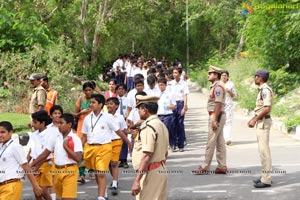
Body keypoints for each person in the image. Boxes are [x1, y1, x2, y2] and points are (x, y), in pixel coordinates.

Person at [81, 94, 132, 200]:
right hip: (90, 148)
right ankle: (104, 193)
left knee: (100, 173)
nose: (91, 104)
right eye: (90, 102)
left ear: (100, 105)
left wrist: (129, 143)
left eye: (94, 102)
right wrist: (79, 148)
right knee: (96, 173)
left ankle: (100, 197)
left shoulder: (107, 117)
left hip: (104, 147)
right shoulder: (87, 118)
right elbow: (84, 136)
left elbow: (119, 132)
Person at [30, 113, 83, 200]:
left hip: (70, 171)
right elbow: (45, 153)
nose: (58, 125)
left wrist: (65, 147)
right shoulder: (55, 137)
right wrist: (32, 164)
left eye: (61, 123)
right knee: (61, 196)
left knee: (67, 198)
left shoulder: (75, 138)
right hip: (57, 171)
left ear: (69, 124)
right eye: (58, 123)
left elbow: (78, 158)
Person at [131, 95, 169, 200]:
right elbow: (165, 153)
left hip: (150, 172)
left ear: (145, 110)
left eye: (139, 109)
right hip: (159, 169)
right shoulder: (161, 124)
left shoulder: (149, 127)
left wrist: (137, 180)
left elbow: (147, 154)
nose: (138, 112)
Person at [192, 66, 227, 175]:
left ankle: (205, 166)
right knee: (219, 142)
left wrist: (214, 119)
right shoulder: (217, 86)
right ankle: (222, 165)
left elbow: (218, 103)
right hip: (218, 115)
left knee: (210, 142)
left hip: (216, 115)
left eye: (210, 73)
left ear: (216, 75)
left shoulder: (218, 87)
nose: (208, 75)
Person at [0, 121, 43, 200]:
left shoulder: (15, 147)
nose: (0, 135)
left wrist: (35, 186)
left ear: (10, 132)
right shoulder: (1, 147)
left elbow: (26, 167)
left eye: (3, 132)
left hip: (11, 186)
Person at [248, 70, 273, 188]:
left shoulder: (265, 90)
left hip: (263, 123)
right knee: (262, 151)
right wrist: (254, 118)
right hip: (261, 121)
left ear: (261, 78)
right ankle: (265, 176)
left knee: (264, 152)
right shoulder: (262, 89)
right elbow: (261, 107)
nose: (254, 78)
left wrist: (254, 119)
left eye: (256, 76)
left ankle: (266, 179)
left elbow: (267, 108)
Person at [27, 110, 53, 200]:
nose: (33, 124)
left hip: (45, 164)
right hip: (34, 164)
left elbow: (44, 155)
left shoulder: (50, 134)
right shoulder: (34, 135)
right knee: (37, 192)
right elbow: (31, 151)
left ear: (42, 123)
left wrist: (32, 165)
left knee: (43, 191)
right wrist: (26, 164)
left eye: (35, 122)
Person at [106, 97, 128, 196]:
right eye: (108, 104)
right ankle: (114, 178)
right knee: (109, 163)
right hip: (105, 142)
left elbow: (124, 130)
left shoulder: (120, 117)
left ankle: (114, 183)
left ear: (116, 106)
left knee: (114, 162)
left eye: (111, 104)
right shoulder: (103, 117)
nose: (109, 105)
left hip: (117, 142)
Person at [74, 81, 94, 183]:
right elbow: (75, 114)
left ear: (93, 90)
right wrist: (81, 112)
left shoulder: (95, 100)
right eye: (86, 90)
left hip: (92, 129)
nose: (88, 92)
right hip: (81, 129)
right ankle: (81, 175)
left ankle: (91, 169)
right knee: (80, 152)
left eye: (90, 90)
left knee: (90, 151)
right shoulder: (80, 99)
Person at [169, 67, 189, 152]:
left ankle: (181, 144)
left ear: (180, 74)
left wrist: (184, 107)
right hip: (172, 104)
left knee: (180, 124)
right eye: (173, 73)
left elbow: (185, 95)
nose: (174, 74)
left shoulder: (183, 84)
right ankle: (173, 143)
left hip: (180, 104)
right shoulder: (170, 83)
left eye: (176, 73)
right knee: (172, 124)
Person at [47, 105, 64, 200]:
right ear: (51, 116)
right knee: (52, 177)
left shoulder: (66, 127)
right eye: (55, 113)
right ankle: (53, 197)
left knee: (62, 177)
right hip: (51, 155)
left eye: (59, 113)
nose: (57, 115)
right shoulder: (47, 128)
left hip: (63, 155)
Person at [157, 77, 177, 151]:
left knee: (168, 129)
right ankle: (162, 146)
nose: (160, 87)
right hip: (159, 115)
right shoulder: (157, 94)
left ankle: (172, 143)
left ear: (165, 85)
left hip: (168, 115)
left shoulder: (170, 94)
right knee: (160, 131)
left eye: (162, 85)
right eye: (159, 85)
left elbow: (174, 105)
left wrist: (170, 107)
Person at [221, 70, 237, 145]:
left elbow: (234, 95)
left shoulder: (231, 84)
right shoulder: (218, 84)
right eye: (222, 75)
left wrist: (229, 91)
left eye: (225, 75)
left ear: (228, 77)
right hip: (220, 106)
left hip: (228, 106)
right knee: (221, 122)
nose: (224, 77)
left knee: (228, 122)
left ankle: (228, 138)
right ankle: (222, 138)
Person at [116, 84, 130, 168]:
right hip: (116, 120)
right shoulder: (114, 100)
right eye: (119, 89)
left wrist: (128, 120)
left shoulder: (128, 100)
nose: (121, 90)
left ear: (125, 90)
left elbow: (129, 110)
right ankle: (118, 159)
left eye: (122, 89)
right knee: (117, 140)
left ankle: (124, 160)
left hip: (125, 119)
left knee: (124, 139)